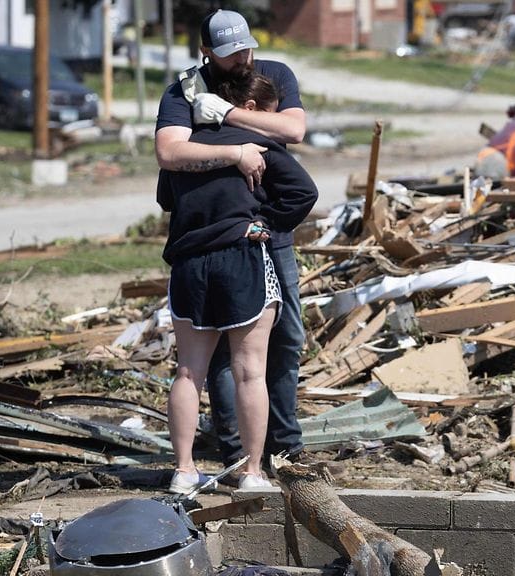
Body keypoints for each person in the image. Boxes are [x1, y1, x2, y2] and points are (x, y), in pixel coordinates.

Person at [155, 8, 309, 486]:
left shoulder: (273, 75)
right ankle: (242, 456)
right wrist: (235, 152)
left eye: (245, 48)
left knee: (284, 341)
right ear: (206, 52)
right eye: (228, 53)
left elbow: (295, 129)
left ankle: (283, 446)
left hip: (260, 237)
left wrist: (228, 117)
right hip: (233, 241)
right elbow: (168, 154)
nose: (241, 58)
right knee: (234, 361)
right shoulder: (184, 89)